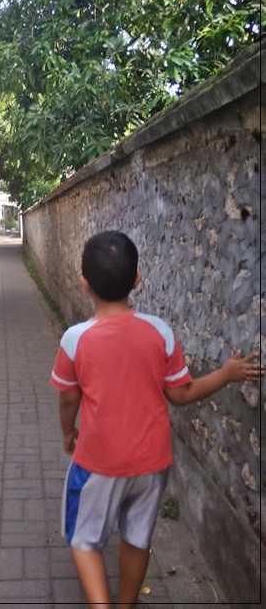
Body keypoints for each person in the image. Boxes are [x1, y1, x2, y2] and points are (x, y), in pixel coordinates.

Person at [50, 230, 261, 608]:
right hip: (153, 462)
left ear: (84, 284)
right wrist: (226, 374)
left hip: (97, 462)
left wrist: (69, 432)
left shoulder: (74, 340)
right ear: (137, 280)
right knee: (137, 537)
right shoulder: (160, 332)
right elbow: (181, 394)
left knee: (84, 540)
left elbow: (68, 397)